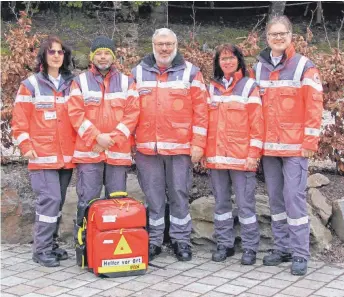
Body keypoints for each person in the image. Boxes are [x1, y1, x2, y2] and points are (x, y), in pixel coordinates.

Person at [252, 16, 323, 275]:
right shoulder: (258, 68)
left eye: (283, 34)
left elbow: (314, 105)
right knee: (276, 200)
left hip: (294, 147)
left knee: (294, 199)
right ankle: (282, 248)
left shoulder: (304, 66)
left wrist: (309, 141)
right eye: (274, 34)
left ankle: (300, 253)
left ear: (291, 36)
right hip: (269, 148)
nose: (278, 38)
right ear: (267, 38)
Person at [131, 28, 209, 261]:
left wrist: (199, 144)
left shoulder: (191, 73)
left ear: (176, 45)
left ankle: (180, 240)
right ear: (152, 45)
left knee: (179, 194)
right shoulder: (137, 72)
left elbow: (201, 111)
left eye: (168, 44)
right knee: (153, 196)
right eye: (160, 44)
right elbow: (128, 110)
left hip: (180, 148)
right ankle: (154, 240)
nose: (164, 48)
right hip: (147, 148)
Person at [12, 36, 76, 267]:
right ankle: (41, 250)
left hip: (66, 157)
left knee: (56, 204)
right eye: (52, 52)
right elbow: (19, 121)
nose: (57, 56)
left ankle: (52, 244)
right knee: (50, 200)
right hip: (41, 156)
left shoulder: (72, 84)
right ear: (44, 56)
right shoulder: (30, 85)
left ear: (65, 56)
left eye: (60, 52)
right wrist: (26, 146)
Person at [68, 36, 139, 230]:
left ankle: (112, 249)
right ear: (91, 57)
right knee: (87, 202)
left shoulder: (127, 82)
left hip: (117, 153)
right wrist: (97, 137)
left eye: (107, 53)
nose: (102, 57)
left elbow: (132, 115)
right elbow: (75, 114)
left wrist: (110, 140)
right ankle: (84, 247)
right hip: (89, 153)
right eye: (98, 53)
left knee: (116, 204)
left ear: (113, 56)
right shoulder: (79, 82)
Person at [203, 44, 264, 264]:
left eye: (231, 58)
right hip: (216, 158)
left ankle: (250, 248)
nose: (227, 62)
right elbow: (205, 122)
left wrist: (253, 154)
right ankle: (224, 244)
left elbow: (257, 124)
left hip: (242, 159)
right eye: (223, 58)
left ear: (239, 60)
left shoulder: (249, 86)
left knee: (245, 205)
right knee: (221, 205)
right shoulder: (211, 88)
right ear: (217, 62)